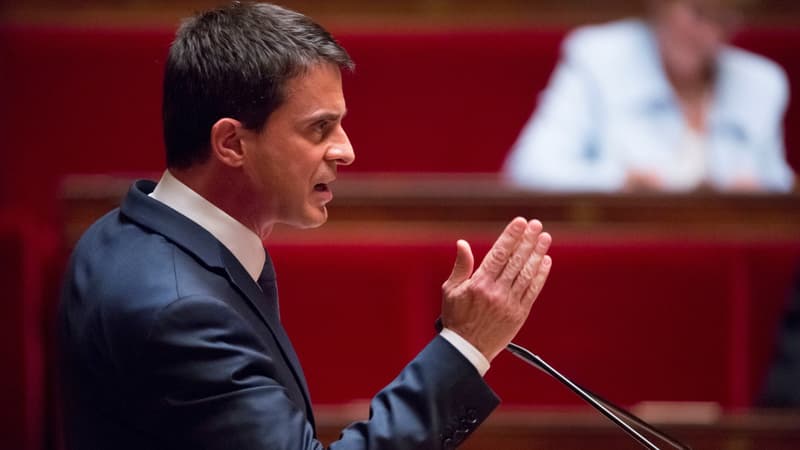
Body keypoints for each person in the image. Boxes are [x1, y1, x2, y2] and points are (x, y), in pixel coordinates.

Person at [57, 3, 553, 449]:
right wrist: (467, 346)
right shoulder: (180, 310)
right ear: (231, 143)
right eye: (319, 128)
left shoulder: (118, 233)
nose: (346, 151)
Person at [503, 0, 796, 192]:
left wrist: (758, 191)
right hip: (624, 252)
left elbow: (781, 191)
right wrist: (619, 182)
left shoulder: (762, 83)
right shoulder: (598, 57)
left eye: (724, 20)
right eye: (698, 13)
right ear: (662, 6)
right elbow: (529, 169)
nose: (708, 34)